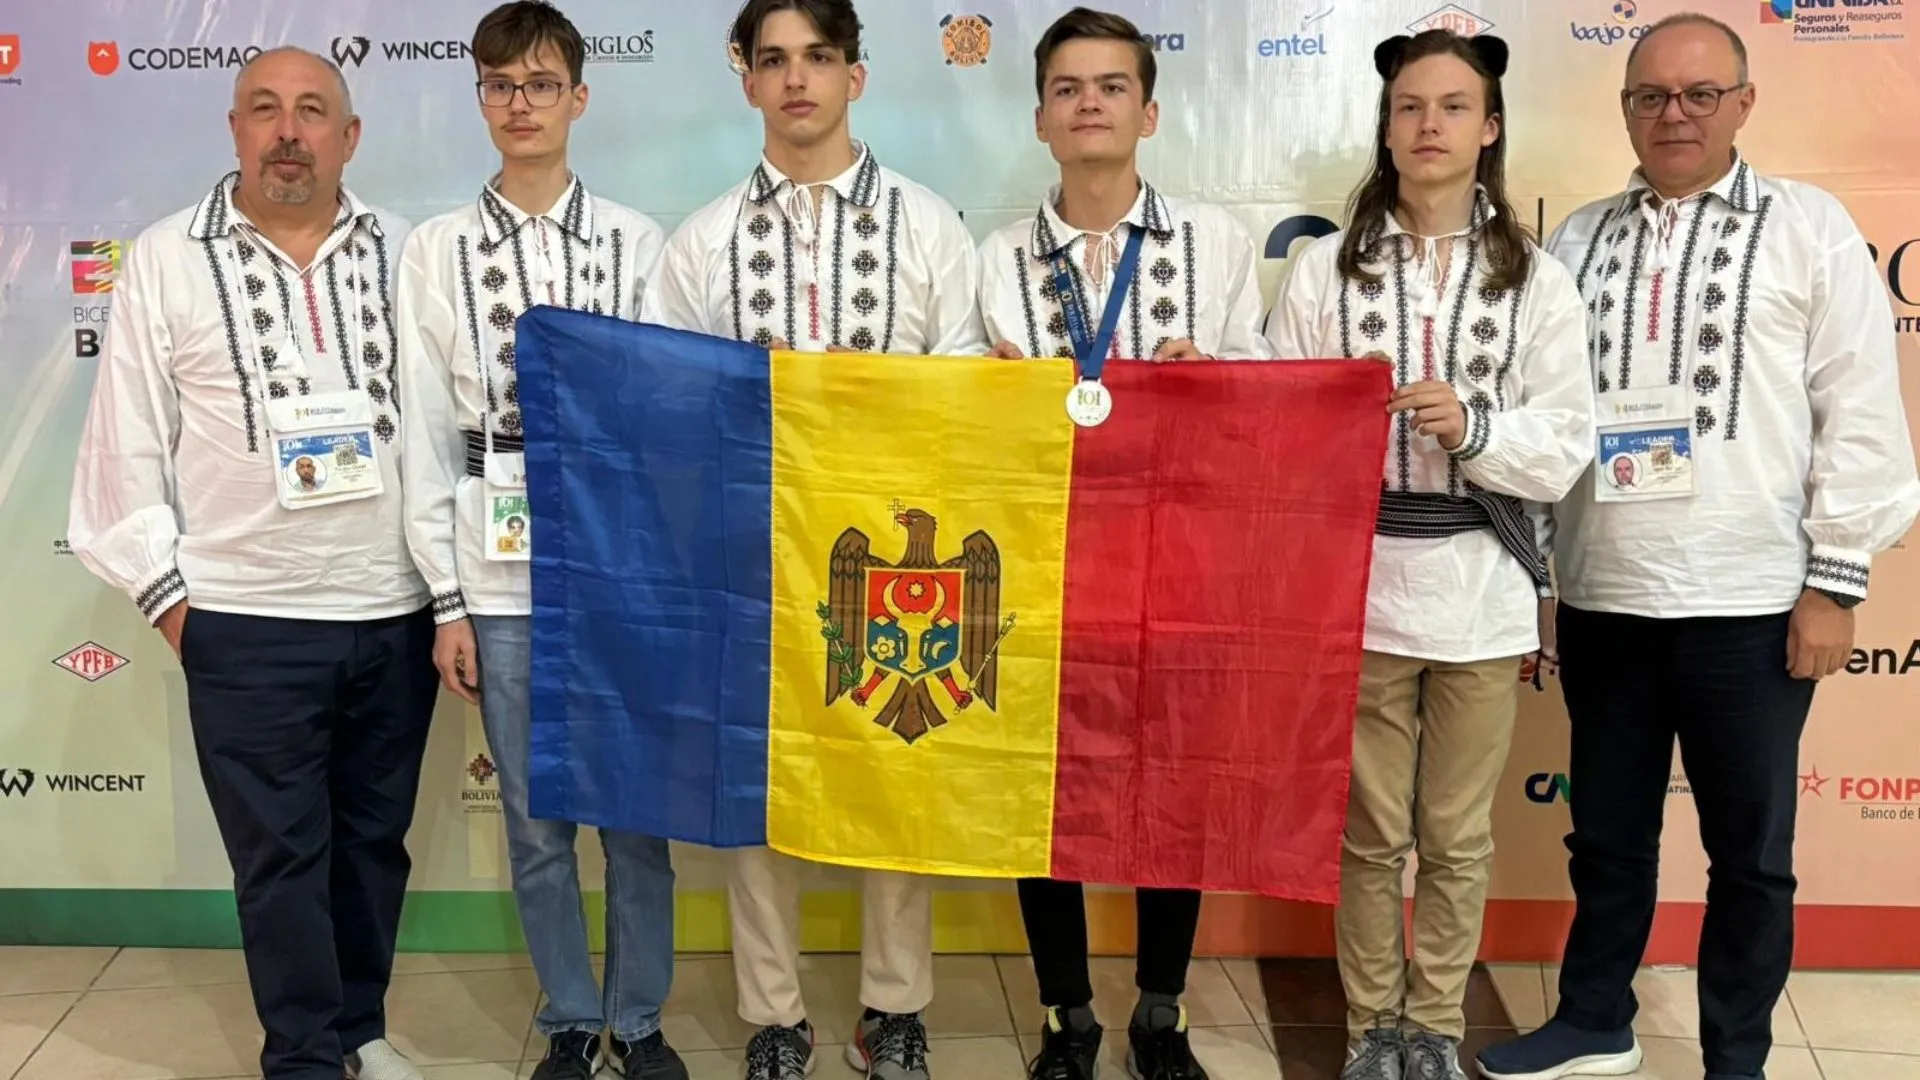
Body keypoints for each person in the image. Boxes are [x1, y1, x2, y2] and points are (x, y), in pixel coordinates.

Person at [1477, 13, 1920, 1080]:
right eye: (1650, 96)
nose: (1673, 114)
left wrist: (1834, 582)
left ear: (1744, 102)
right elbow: (1547, 419)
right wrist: (1546, 579)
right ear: (1625, 108)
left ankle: (1737, 1057)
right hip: (1607, 596)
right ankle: (1596, 1019)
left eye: (1699, 94)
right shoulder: (1578, 241)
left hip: (1753, 601)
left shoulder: (1810, 229)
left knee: (1751, 859)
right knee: (1607, 838)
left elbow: (1860, 410)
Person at [68, 47, 434, 1080]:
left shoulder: (406, 251)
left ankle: (359, 1029)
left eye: (312, 111)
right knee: (279, 860)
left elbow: (443, 426)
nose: (288, 132)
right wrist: (181, 610)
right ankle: (305, 1057)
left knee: (373, 846)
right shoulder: (168, 259)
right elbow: (124, 447)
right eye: (264, 109)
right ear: (235, 130)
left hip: (391, 610)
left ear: (348, 137)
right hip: (246, 620)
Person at [641, 1, 985, 1078]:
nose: (797, 80)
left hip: (895, 558)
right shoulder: (702, 240)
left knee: (898, 770)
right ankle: (774, 1015)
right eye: (774, 60)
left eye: (819, 58)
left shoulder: (927, 226)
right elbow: (669, 407)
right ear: (746, 80)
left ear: (855, 77)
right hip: (752, 553)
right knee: (756, 788)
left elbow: (966, 387)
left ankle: (896, 1005)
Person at [1264, 29, 1593, 1080]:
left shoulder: (1534, 279)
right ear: (1386, 126)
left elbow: (1567, 443)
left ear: (1489, 128)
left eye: (1453, 107)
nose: (1429, 125)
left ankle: (1436, 1025)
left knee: (1454, 836)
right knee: (1368, 834)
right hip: (1360, 589)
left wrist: (1474, 426)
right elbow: (1276, 420)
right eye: (1410, 107)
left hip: (1483, 592)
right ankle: (1372, 1027)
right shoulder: (1327, 268)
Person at [973, 9, 1271, 1080]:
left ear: (1148, 111)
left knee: (1172, 788)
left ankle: (1160, 1012)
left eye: (1110, 86)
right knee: (1039, 792)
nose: (1088, 103)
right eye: (1067, 88)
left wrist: (1214, 381)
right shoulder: (997, 257)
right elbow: (956, 416)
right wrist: (989, 393)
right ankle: (1066, 1017)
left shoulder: (1213, 244)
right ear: (1041, 119)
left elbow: (1267, 403)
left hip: (1179, 560)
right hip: (1042, 560)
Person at [394, 4, 684, 1079]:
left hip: (618, 571)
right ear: (480, 98)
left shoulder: (634, 242)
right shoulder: (436, 250)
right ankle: (568, 1014)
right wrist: (447, 598)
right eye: (501, 85)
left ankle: (638, 1019)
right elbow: (426, 431)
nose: (522, 104)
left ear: (579, 97)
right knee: (534, 819)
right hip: (498, 567)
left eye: (542, 83)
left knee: (637, 820)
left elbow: (665, 418)